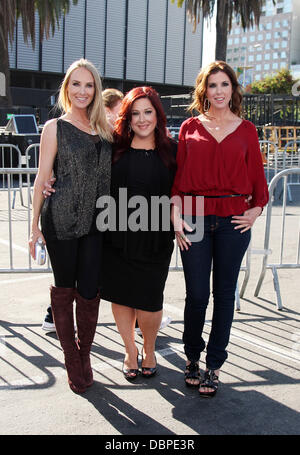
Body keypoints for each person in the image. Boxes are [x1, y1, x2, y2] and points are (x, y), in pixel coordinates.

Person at [171, 61, 269, 397]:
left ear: (233, 89)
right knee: (197, 294)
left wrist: (255, 211)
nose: (219, 91)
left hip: (233, 220)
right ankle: (192, 358)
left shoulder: (247, 130)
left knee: (224, 294)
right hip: (194, 215)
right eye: (212, 85)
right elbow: (178, 180)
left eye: (224, 84)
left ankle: (214, 366)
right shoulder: (188, 127)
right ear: (204, 91)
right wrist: (175, 215)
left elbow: (258, 180)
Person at [29, 58, 112, 394]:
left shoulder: (105, 129)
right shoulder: (55, 128)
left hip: (96, 221)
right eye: (76, 84)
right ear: (67, 89)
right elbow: (41, 178)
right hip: (60, 217)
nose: (82, 91)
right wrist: (33, 227)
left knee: (90, 290)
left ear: (96, 90)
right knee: (64, 290)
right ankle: (72, 360)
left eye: (89, 85)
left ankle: (85, 354)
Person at [101, 86, 177, 380]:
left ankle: (149, 347)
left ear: (158, 115)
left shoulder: (174, 150)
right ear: (127, 118)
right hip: (116, 236)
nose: (142, 119)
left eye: (148, 112)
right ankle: (130, 350)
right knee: (120, 297)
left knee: (149, 300)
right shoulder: (113, 148)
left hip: (156, 238)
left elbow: (183, 190)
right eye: (135, 113)